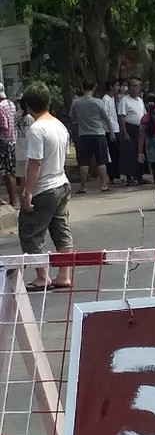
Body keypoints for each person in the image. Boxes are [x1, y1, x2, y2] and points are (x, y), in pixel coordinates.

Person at [18, 82, 72, 292]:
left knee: (30, 232)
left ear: (29, 106)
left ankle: (42, 276)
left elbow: (35, 163)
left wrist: (27, 192)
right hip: (61, 182)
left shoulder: (36, 129)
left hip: (44, 187)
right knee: (61, 230)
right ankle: (64, 274)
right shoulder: (59, 125)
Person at [69, 78, 112, 194]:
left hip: (84, 134)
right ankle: (103, 185)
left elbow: (72, 117)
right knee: (101, 161)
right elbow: (106, 118)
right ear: (94, 88)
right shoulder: (98, 102)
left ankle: (83, 186)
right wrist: (111, 132)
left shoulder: (76, 102)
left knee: (84, 162)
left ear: (83, 88)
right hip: (98, 134)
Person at [118, 76, 146, 186]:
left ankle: (139, 175)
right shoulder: (125, 100)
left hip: (140, 129)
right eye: (132, 86)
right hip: (130, 129)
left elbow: (143, 115)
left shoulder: (140, 100)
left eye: (137, 85)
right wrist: (124, 132)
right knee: (130, 153)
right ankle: (129, 177)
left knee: (140, 152)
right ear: (128, 88)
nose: (135, 88)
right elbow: (122, 117)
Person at [0, 85, 18, 207]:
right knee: (10, 171)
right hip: (13, 141)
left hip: (4, 142)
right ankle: (14, 200)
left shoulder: (0, 107)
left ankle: (13, 201)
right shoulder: (11, 104)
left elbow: (4, 126)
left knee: (6, 172)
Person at [102, 77, 121, 182]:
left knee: (117, 153)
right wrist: (111, 131)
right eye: (117, 85)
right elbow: (106, 116)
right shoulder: (105, 99)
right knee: (112, 153)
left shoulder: (113, 98)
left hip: (116, 127)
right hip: (110, 130)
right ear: (111, 87)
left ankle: (117, 174)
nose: (118, 88)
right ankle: (113, 176)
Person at [14, 95, 33, 186]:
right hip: (29, 149)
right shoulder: (31, 117)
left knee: (21, 176)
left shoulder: (16, 115)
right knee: (27, 176)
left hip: (18, 147)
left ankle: (21, 197)